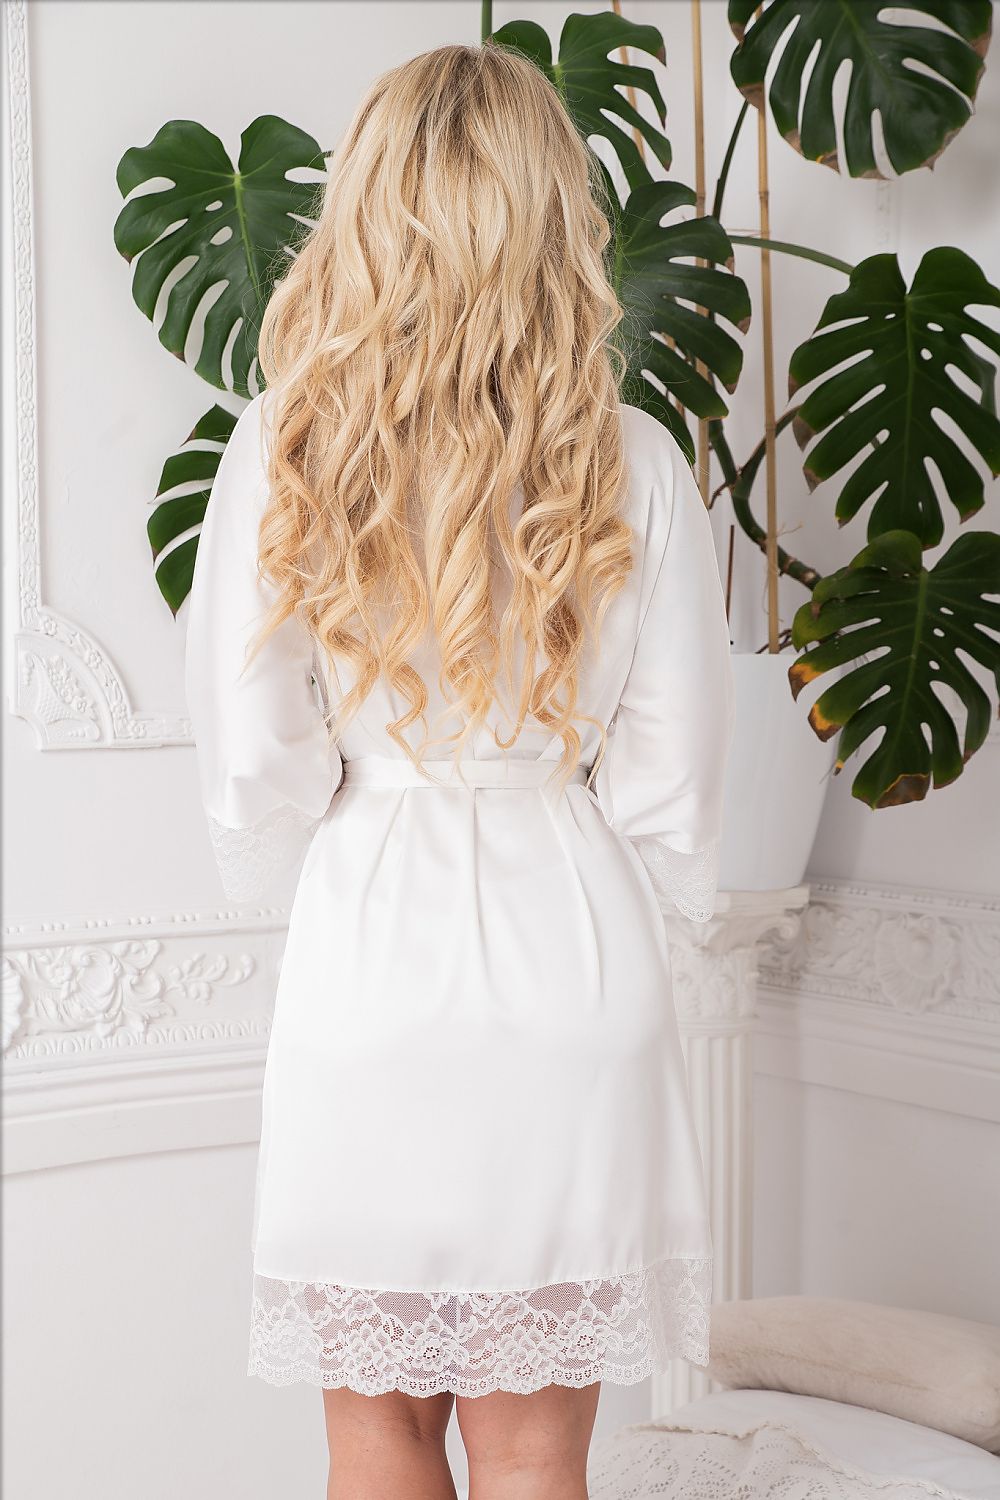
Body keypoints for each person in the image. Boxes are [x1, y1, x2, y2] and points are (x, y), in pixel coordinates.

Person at [185, 39, 735, 1500]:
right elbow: (673, 793)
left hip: (372, 964)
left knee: (373, 1438)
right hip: (570, 966)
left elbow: (256, 761)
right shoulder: (634, 461)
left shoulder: (289, 447)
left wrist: (344, 825)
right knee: (538, 1452)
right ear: (556, 218)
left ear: (363, 210)